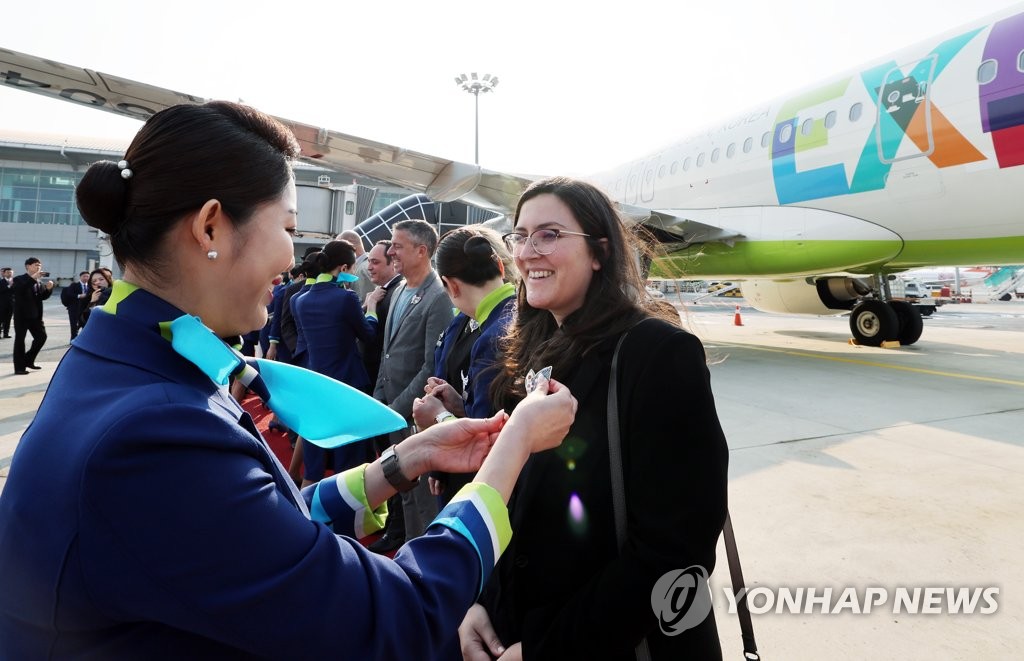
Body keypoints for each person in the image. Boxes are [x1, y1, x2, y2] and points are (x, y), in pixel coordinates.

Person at [0, 102, 579, 659]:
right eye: (287, 227)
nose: (291, 256)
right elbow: (388, 621)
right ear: (209, 227)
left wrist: (403, 463)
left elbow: (258, 532)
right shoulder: (153, 430)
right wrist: (513, 447)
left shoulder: (130, 366)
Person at [459, 176, 730, 661]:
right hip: (515, 628)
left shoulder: (658, 354)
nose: (526, 253)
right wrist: (484, 601)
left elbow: (675, 550)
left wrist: (549, 650)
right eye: (520, 235)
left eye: (549, 234)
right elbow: (521, 506)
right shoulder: (536, 353)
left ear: (599, 252)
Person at [412, 226, 518, 506]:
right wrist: (457, 405)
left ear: (451, 285)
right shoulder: (479, 319)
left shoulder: (495, 333)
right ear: (499, 263)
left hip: (480, 484)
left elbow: (486, 433)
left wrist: (438, 418)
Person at [370, 219, 454, 553]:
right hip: (392, 411)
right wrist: (378, 401)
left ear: (422, 251)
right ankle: (405, 546)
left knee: (422, 499)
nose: (391, 251)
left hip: (415, 414)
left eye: (397, 245)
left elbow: (431, 366)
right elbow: (387, 353)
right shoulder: (401, 289)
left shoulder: (438, 298)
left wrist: (395, 409)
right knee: (402, 488)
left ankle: (422, 560)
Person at [292, 239, 381, 485]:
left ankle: (306, 515)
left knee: (314, 461)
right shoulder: (345, 298)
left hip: (316, 385)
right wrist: (371, 308)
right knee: (348, 461)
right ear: (343, 268)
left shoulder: (301, 300)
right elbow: (368, 335)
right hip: (347, 385)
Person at [11, 257, 54, 375]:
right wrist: (33, 278)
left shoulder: (38, 282)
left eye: (39, 265)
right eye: (36, 265)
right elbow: (19, 290)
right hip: (22, 316)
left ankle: (28, 360)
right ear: (28, 266)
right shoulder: (19, 279)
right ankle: (19, 368)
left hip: (36, 316)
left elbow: (41, 297)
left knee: (41, 337)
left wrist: (49, 290)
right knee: (20, 340)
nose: (38, 267)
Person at [340, 228, 375, 301]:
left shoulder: (363, 270)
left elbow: (362, 303)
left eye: (339, 247)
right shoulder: (365, 265)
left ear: (351, 247)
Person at [61, 271, 91, 339]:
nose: (86, 278)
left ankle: (84, 340)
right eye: (84, 276)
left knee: (86, 325)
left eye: (87, 276)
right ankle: (73, 340)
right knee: (74, 325)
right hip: (74, 309)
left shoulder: (90, 286)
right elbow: (69, 294)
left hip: (85, 309)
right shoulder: (74, 285)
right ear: (80, 277)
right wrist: (79, 296)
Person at [0, 267, 14, 339]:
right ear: (4, 273)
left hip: (11, 305)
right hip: (2, 305)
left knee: (8, 320)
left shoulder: (15, 282)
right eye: (8, 272)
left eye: (11, 272)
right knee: (1, 320)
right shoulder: (1, 282)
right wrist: (9, 286)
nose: (10, 274)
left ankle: (6, 334)